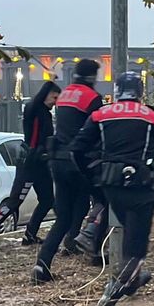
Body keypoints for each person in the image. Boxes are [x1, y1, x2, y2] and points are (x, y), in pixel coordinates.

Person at [69, 72, 154, 306]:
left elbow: (76, 150)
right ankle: (110, 298)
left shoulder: (100, 114)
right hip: (142, 187)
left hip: (111, 187)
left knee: (129, 235)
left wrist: (93, 175)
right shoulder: (150, 116)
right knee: (137, 249)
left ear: (117, 91)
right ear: (140, 91)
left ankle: (133, 279)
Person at [31, 59, 103, 283]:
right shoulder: (92, 98)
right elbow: (96, 130)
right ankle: (92, 246)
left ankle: (42, 264)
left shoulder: (65, 95)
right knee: (104, 202)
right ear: (92, 76)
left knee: (63, 217)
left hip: (58, 160)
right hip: (78, 161)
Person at [0, 81, 61, 248]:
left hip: (41, 163)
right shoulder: (34, 109)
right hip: (29, 163)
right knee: (15, 201)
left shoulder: (45, 113)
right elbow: (34, 137)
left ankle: (30, 234)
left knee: (47, 200)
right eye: (54, 97)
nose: (55, 102)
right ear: (46, 94)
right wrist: (39, 150)